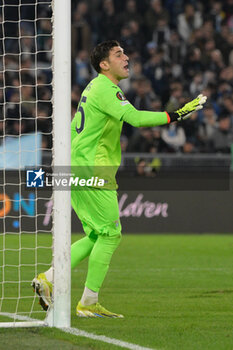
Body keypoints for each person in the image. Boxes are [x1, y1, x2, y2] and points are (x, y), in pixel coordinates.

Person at [32, 40, 207, 318]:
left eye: (125, 52)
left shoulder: (94, 87)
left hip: (76, 166)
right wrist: (178, 113)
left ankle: (47, 279)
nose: (126, 57)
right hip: (92, 170)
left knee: (95, 235)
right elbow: (135, 119)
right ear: (104, 64)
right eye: (118, 54)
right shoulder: (105, 88)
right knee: (111, 234)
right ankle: (88, 302)